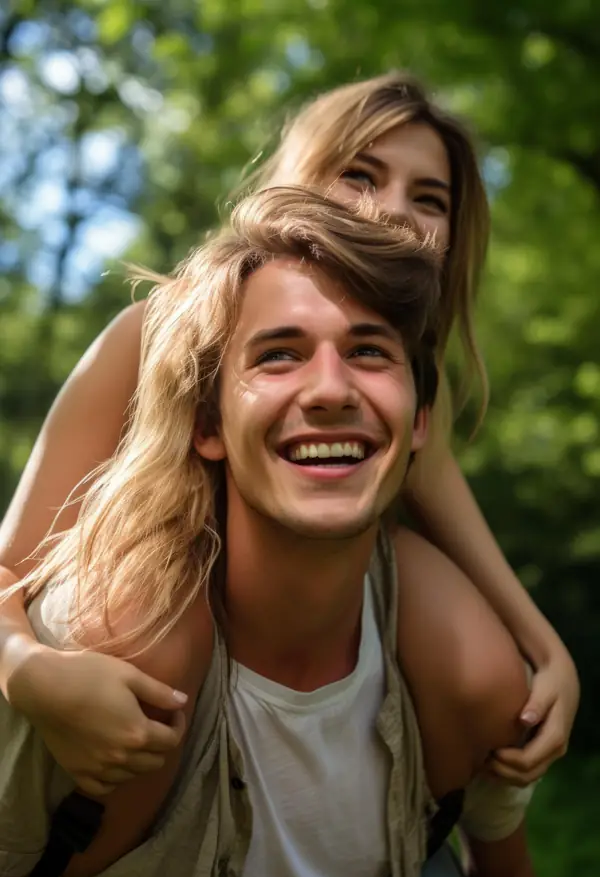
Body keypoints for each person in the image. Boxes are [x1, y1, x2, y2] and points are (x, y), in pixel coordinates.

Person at [0, 72, 577, 795]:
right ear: (296, 180)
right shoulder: (153, 333)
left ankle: (444, 837)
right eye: (360, 175)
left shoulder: (394, 390)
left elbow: (466, 540)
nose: (394, 211)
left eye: (429, 199)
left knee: (478, 660)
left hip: (326, 646)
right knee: (141, 626)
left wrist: (550, 655)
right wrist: (27, 672)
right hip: (155, 651)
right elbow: (8, 567)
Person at [0, 188, 536, 877]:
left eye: (369, 351)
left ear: (420, 422)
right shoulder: (96, 646)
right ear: (208, 426)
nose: (330, 390)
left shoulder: (470, 673)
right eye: (279, 356)